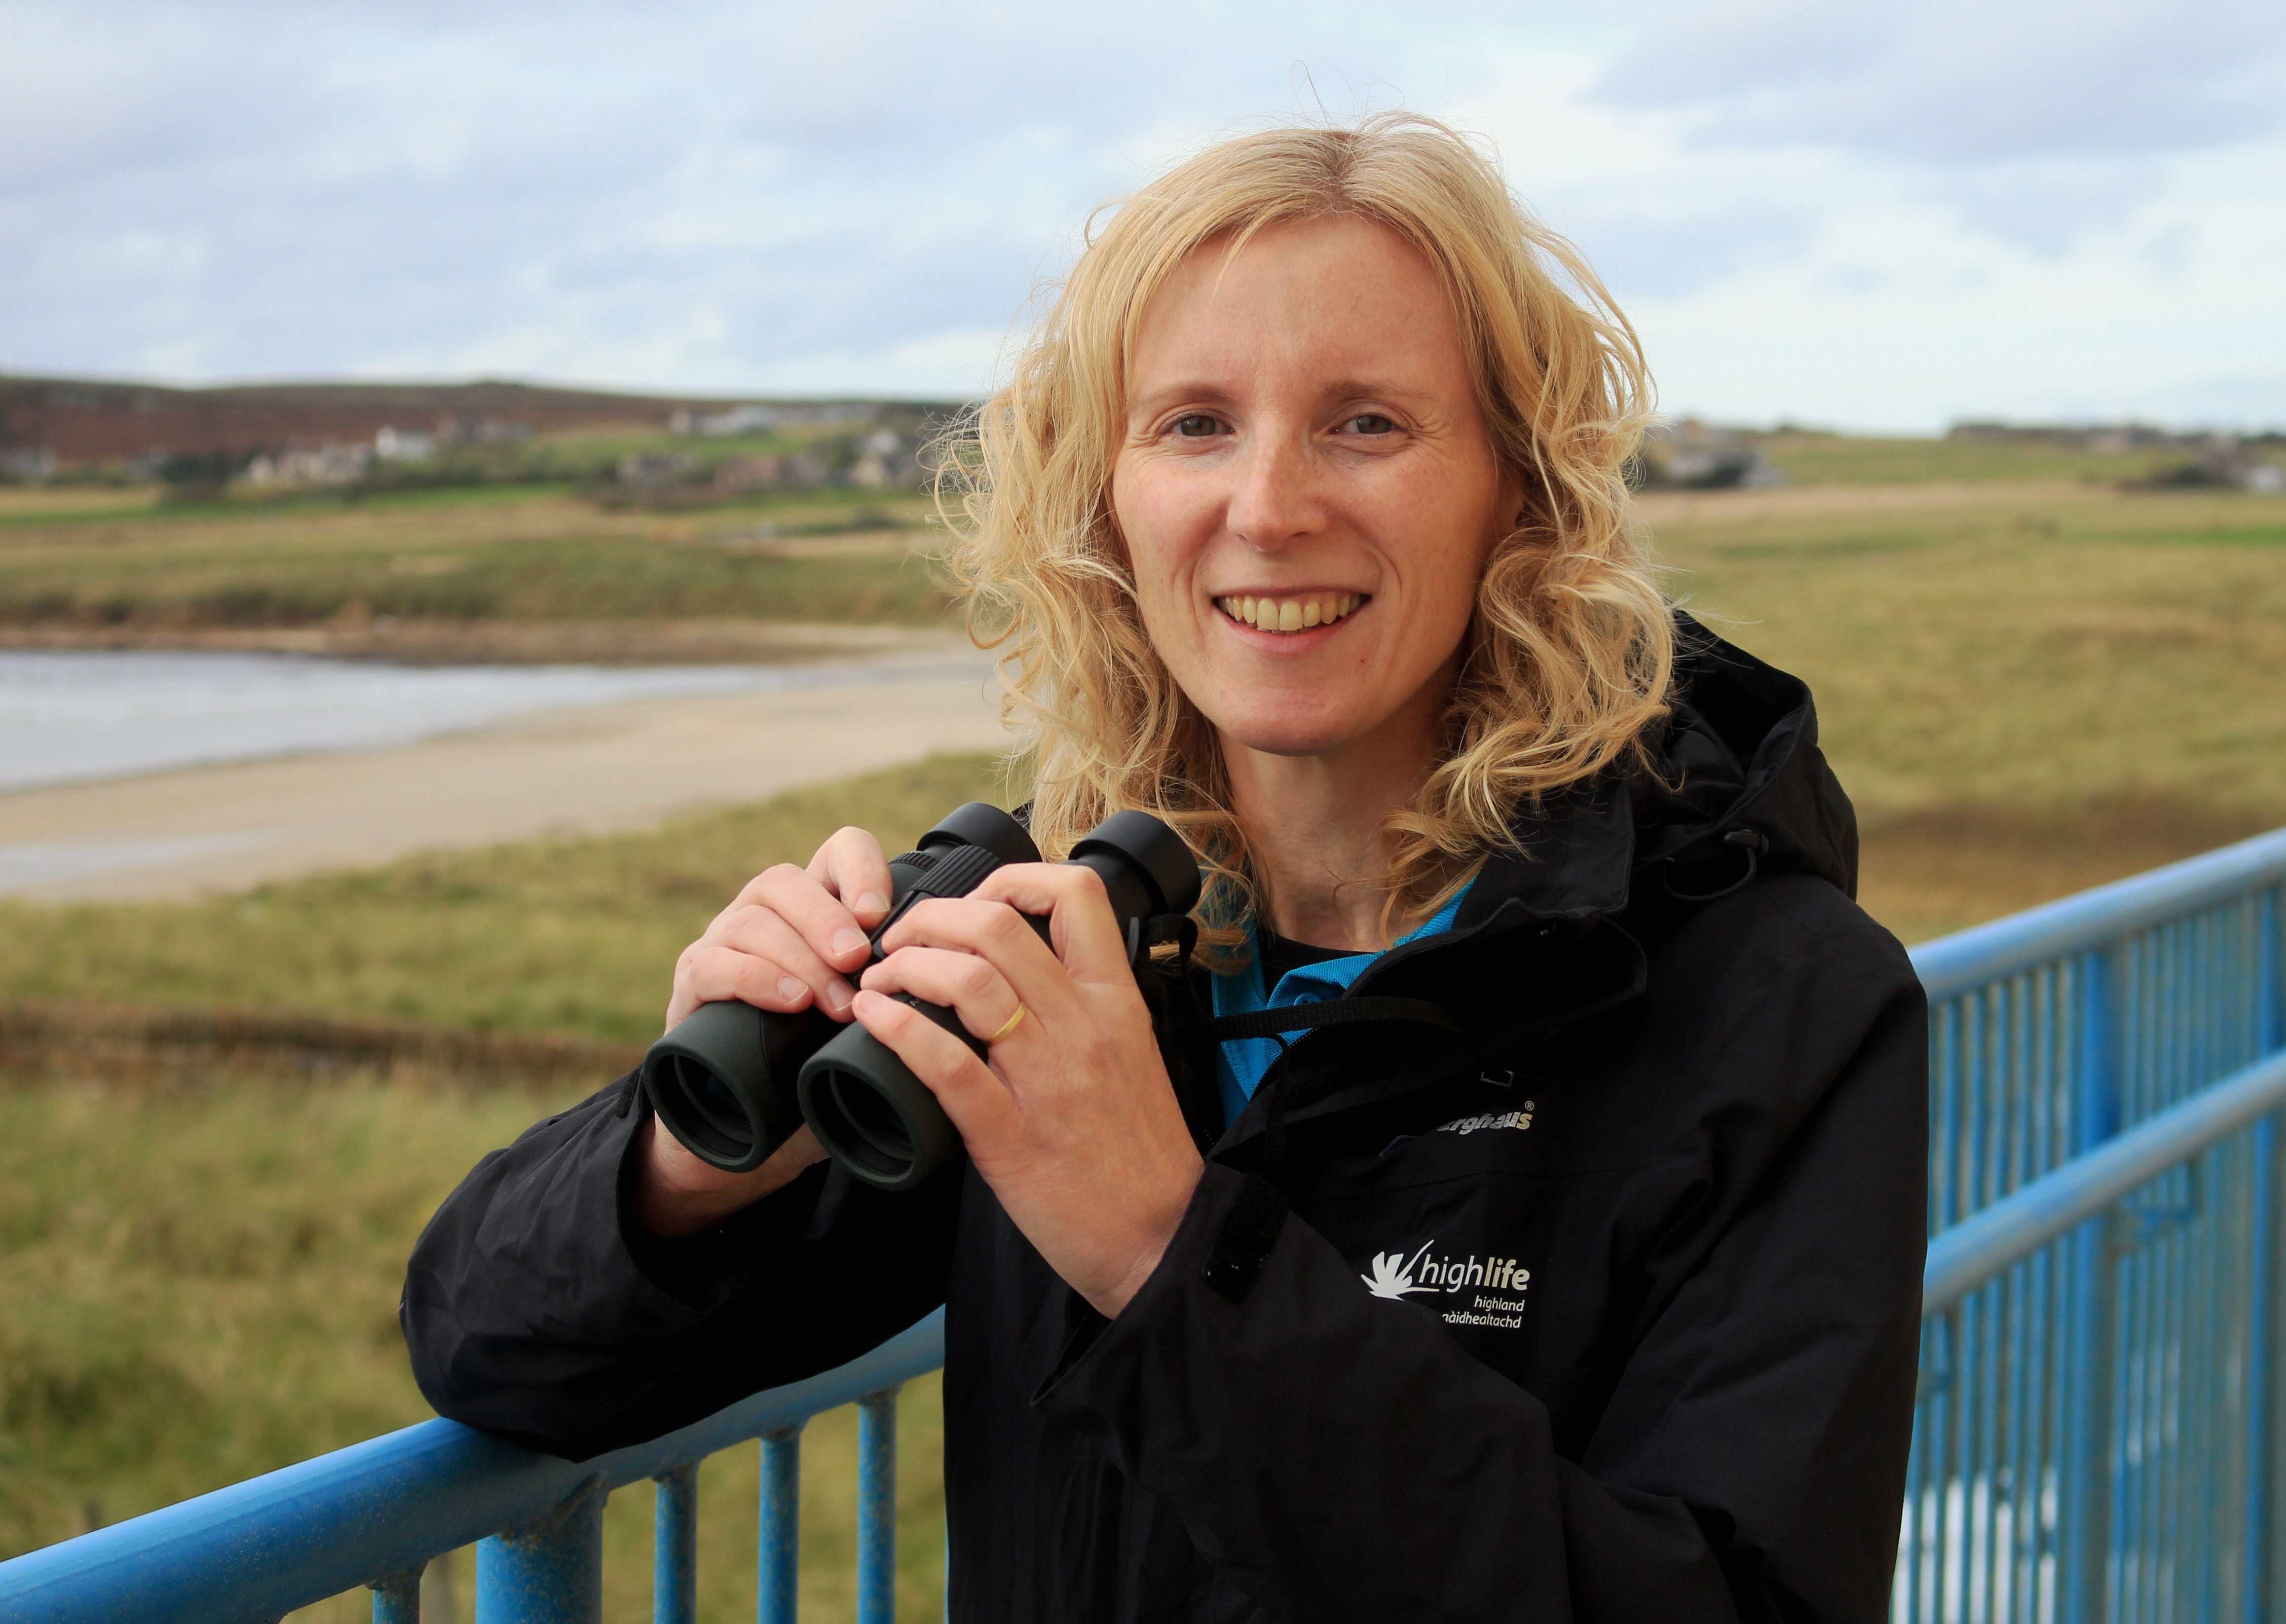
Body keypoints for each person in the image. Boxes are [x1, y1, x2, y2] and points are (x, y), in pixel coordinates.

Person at [403, 113, 1928, 1623]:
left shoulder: (1774, 1007)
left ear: (1516, 496)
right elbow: (501, 1347)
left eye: (1366, 423)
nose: (1266, 508)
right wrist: (691, 1156)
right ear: (1108, 505)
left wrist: (1162, 1244)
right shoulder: (1085, 965)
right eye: (1192, 423)